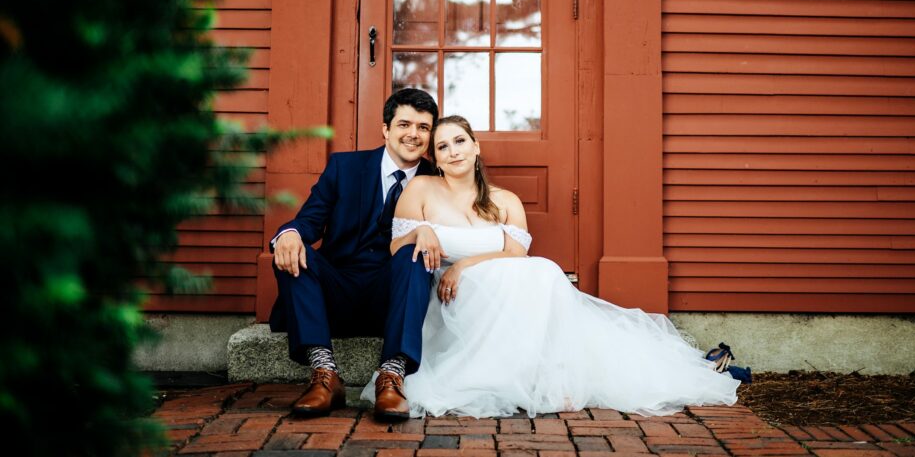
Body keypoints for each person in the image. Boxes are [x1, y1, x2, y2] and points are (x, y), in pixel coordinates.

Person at [360, 115, 740, 418]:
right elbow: (397, 246)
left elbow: (515, 255)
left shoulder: (505, 199)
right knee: (537, 274)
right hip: (449, 293)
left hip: (495, 281)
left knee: (542, 269)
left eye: (460, 141)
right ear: (435, 158)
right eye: (442, 146)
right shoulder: (421, 190)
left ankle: (553, 380)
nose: (452, 151)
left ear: (475, 147)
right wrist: (424, 231)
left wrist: (467, 264)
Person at [269, 87, 443, 419]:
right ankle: (324, 374)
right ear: (386, 129)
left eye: (423, 127)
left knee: (414, 255)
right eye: (405, 124)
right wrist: (289, 233)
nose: (414, 134)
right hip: (338, 289)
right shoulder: (344, 167)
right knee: (291, 247)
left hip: (394, 297)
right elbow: (310, 219)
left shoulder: (436, 180)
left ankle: (392, 375)